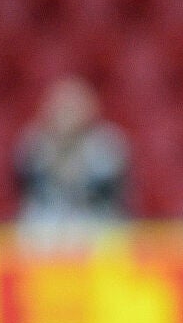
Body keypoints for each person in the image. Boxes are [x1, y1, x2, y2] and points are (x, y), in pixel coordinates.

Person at [14, 77, 130, 246]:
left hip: (95, 218)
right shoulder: (34, 143)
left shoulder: (107, 144)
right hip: (47, 220)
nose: (67, 115)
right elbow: (29, 187)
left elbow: (106, 192)